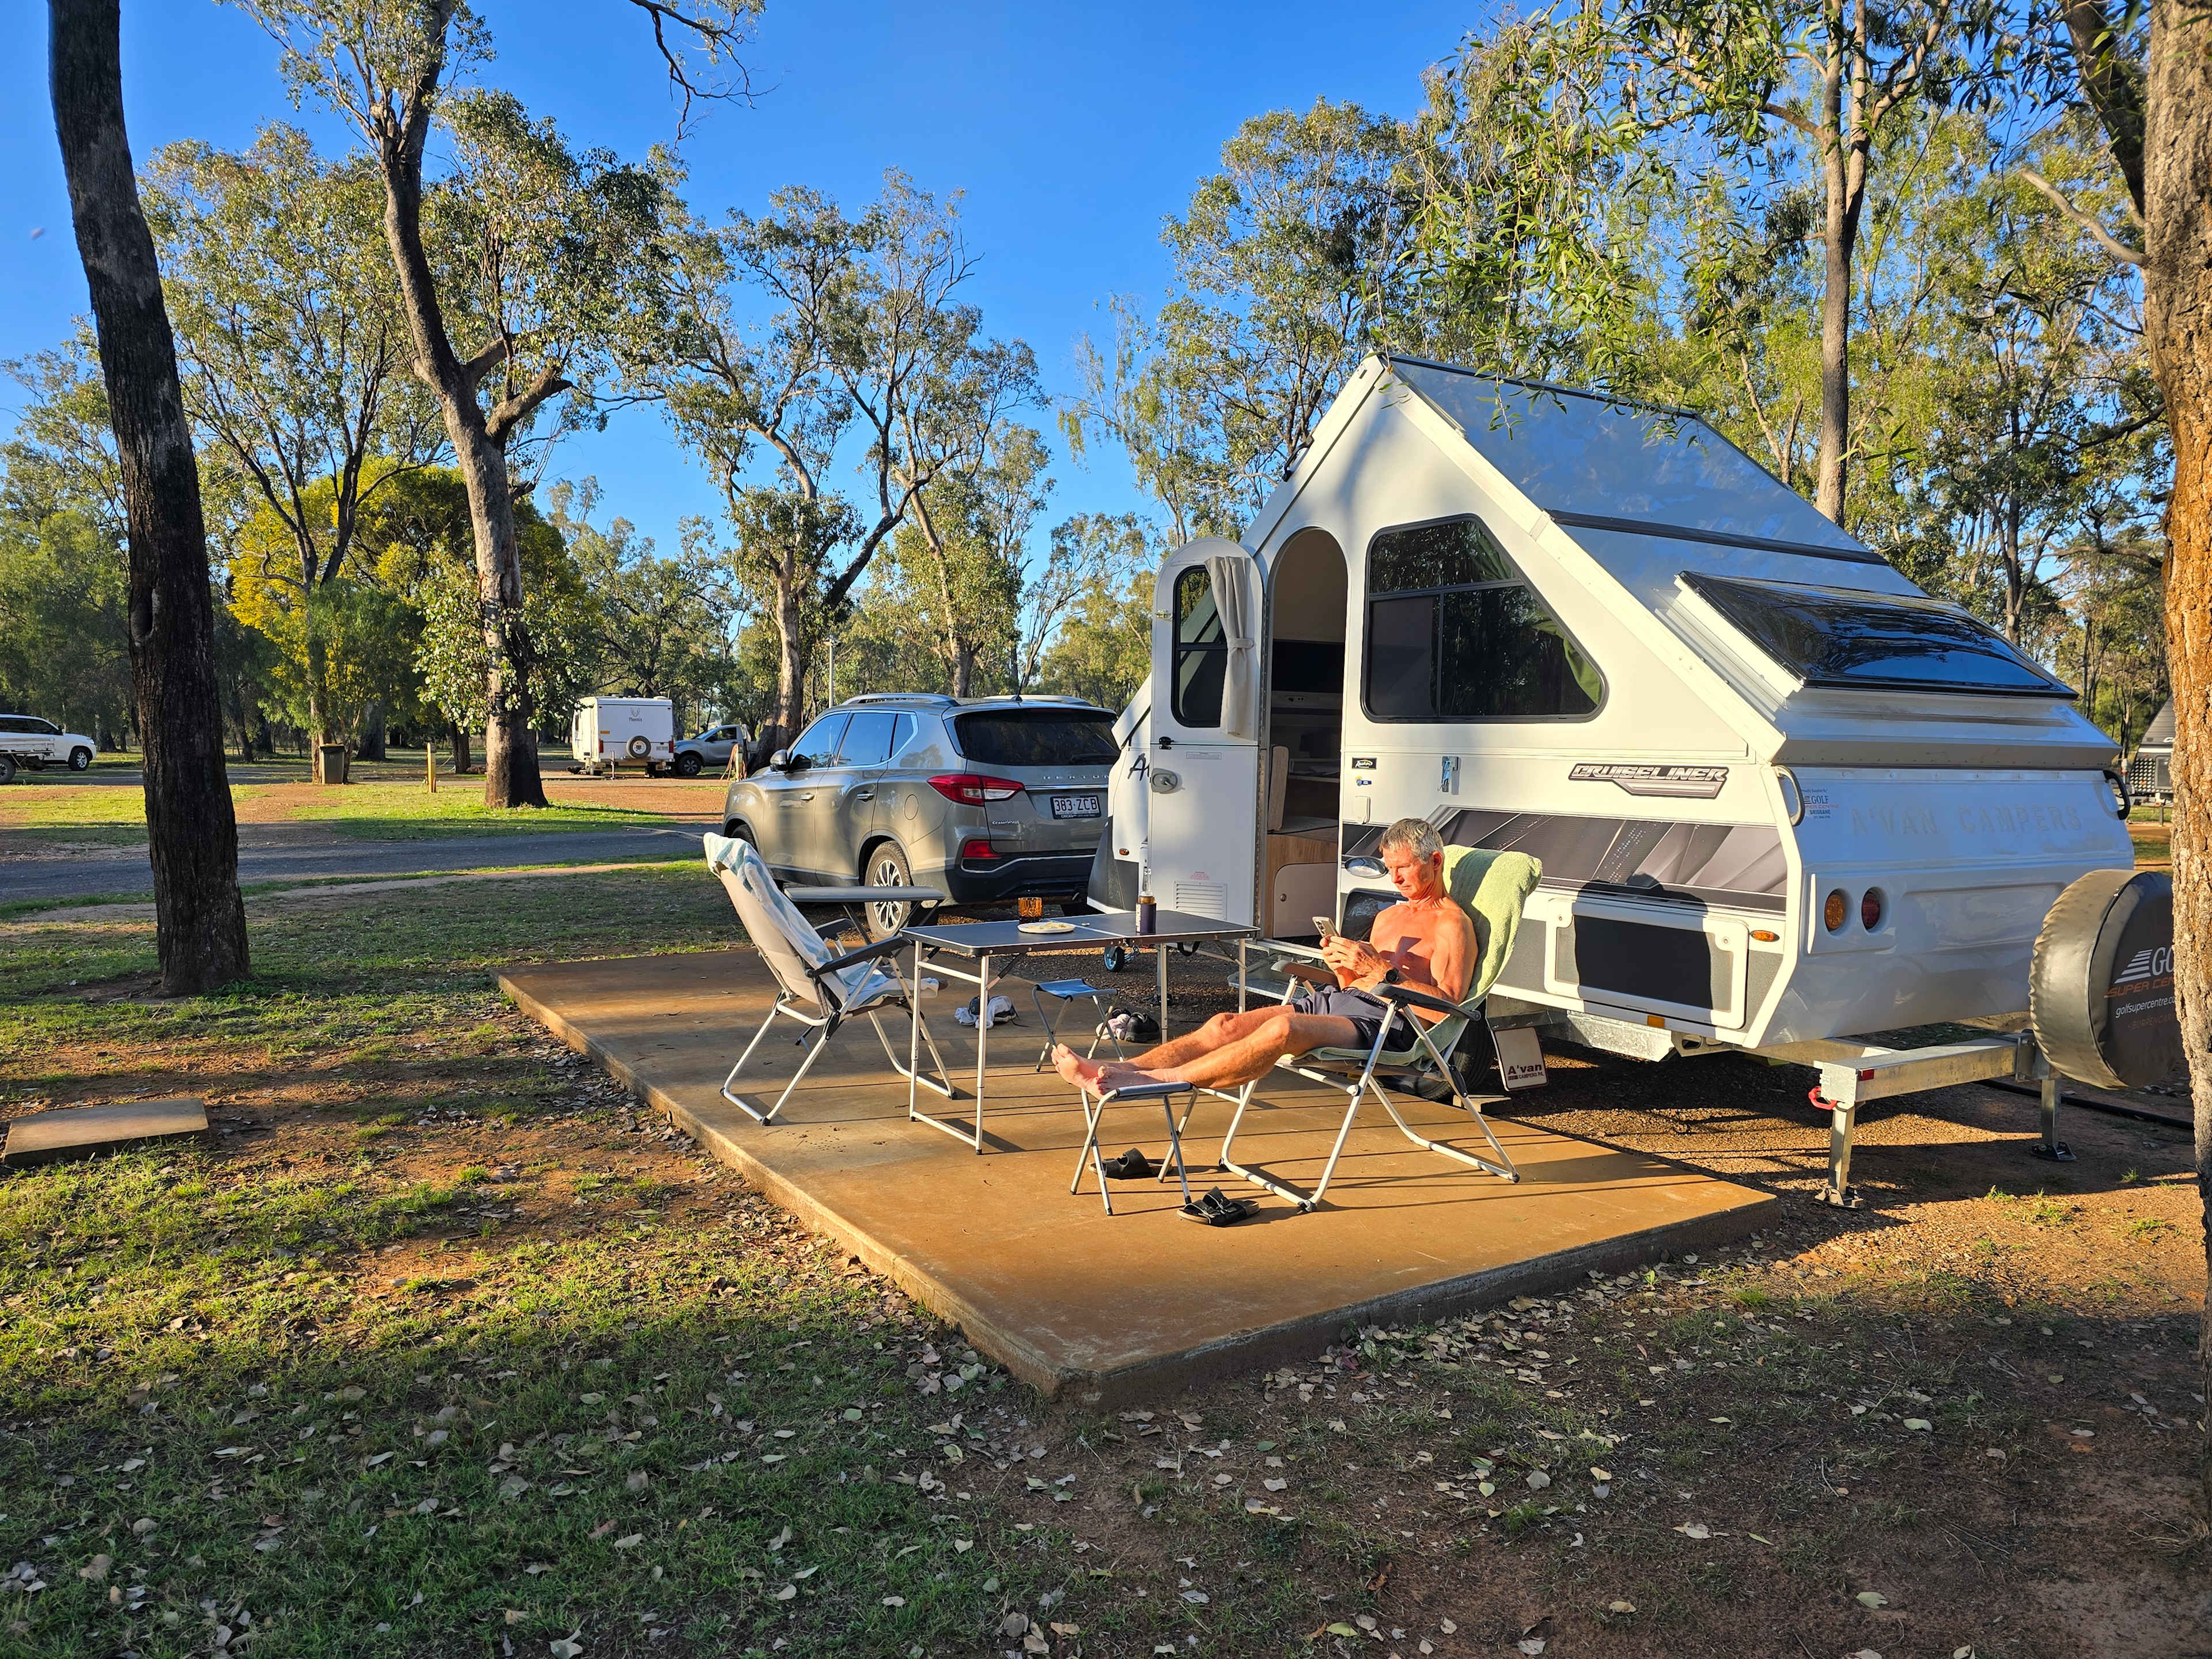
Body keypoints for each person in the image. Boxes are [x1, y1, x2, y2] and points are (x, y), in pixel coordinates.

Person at [1052, 817, 1472, 1096]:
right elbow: (1349, 986)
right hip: (1341, 1005)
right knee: (1224, 1023)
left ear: (1434, 861)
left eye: (1403, 869)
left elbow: (1446, 1011)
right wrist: (1343, 965)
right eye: (1389, 869)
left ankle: (1150, 1082)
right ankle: (1113, 1067)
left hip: (1385, 1025)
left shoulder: (1451, 925)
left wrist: (1383, 973)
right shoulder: (1388, 917)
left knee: (1281, 1030)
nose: (1394, 878)